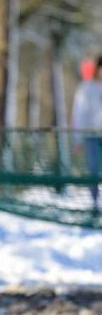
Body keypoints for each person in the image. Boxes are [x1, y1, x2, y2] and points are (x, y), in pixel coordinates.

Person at [72, 56, 102, 210]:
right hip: (91, 136)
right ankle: (94, 203)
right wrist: (77, 138)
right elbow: (79, 114)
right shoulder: (86, 88)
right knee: (94, 170)